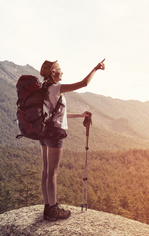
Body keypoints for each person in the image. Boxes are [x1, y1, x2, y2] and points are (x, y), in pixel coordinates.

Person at [39, 59, 105, 221]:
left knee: (46, 171)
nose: (62, 73)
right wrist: (95, 68)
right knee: (52, 173)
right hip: (55, 133)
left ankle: (48, 206)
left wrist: (80, 115)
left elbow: (58, 114)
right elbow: (84, 83)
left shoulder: (44, 89)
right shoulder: (55, 87)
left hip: (44, 132)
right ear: (53, 73)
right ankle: (53, 209)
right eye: (59, 70)